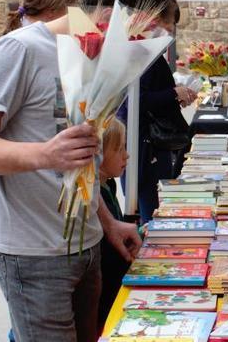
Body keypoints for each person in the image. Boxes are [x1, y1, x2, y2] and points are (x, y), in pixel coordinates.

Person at [0, 0, 145, 342]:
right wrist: (45, 153)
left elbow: (82, 159)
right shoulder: (19, 49)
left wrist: (107, 222)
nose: (140, 46)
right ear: (112, 16)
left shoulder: (89, 53)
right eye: (142, 34)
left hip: (85, 244)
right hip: (33, 252)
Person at [81, 0, 195, 223]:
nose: (164, 31)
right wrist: (173, 94)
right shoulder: (34, 51)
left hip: (135, 147)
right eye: (158, 23)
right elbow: (134, 101)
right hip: (142, 142)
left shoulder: (135, 48)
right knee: (148, 207)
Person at [96, 117, 132, 330]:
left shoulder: (108, 185)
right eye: (119, 149)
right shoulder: (98, 193)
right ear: (97, 155)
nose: (126, 155)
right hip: (109, 295)